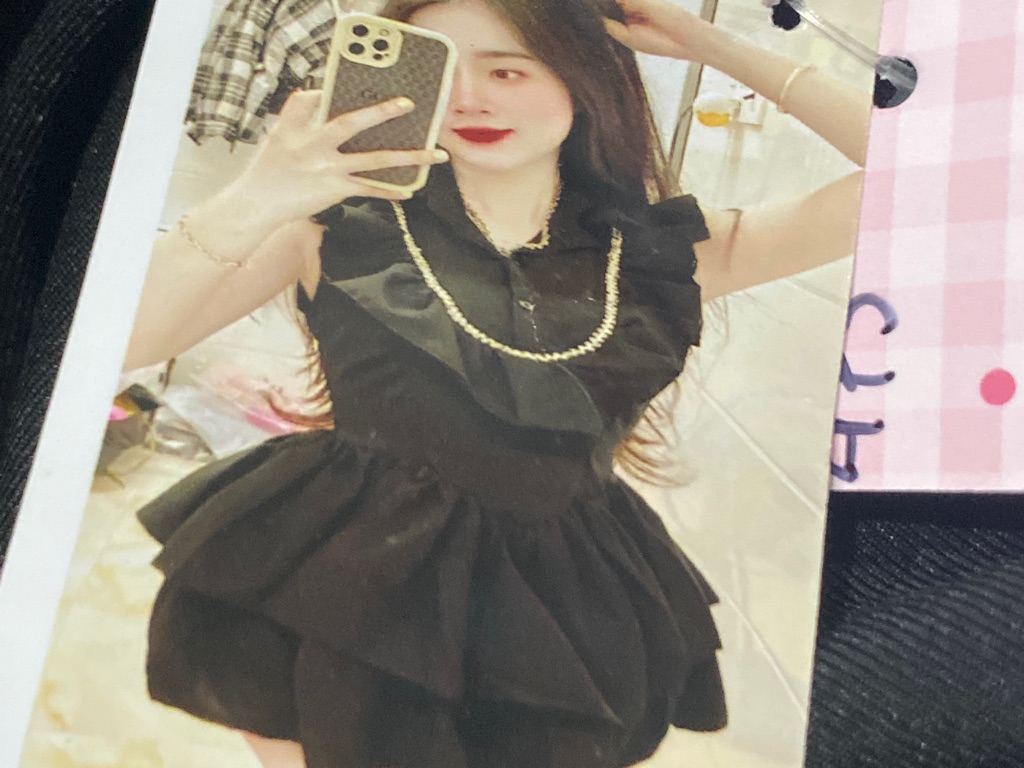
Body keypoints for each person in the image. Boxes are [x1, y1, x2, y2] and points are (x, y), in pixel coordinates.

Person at [125, 0, 869, 766]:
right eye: (442, 71)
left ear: (583, 76)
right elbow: (120, 343)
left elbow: (916, 181)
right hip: (349, 589)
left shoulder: (665, 252)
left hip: (561, 609)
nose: (470, 100)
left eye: (508, 71)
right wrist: (258, 196)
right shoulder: (332, 223)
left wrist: (713, 45)